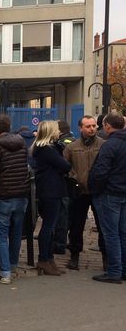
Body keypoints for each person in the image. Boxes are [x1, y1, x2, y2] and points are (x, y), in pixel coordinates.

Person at [0, 114, 30, 284]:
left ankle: (5, 272)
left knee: (0, 235)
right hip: (21, 195)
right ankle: (13, 264)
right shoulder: (21, 144)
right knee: (16, 232)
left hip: (1, 196)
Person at [63, 115, 105, 270]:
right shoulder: (72, 147)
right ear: (81, 128)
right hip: (79, 191)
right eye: (88, 126)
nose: (92, 129)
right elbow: (65, 166)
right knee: (76, 225)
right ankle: (74, 256)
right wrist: (73, 178)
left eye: (94, 126)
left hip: (98, 191)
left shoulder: (103, 145)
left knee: (103, 226)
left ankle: (106, 257)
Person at [88, 113, 126, 284]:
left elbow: (100, 171)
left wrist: (95, 189)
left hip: (110, 193)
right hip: (122, 192)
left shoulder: (110, 145)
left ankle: (114, 271)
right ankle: (122, 269)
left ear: (108, 126)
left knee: (111, 234)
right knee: (122, 233)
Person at [31, 121, 72, 276]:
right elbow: (65, 166)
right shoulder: (46, 149)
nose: (59, 132)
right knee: (48, 226)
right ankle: (44, 258)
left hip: (50, 190)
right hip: (50, 191)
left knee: (51, 226)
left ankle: (48, 258)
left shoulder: (46, 148)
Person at [52, 120, 77, 255]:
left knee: (62, 215)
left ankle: (59, 244)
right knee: (69, 215)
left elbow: (63, 164)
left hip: (65, 183)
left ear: (59, 131)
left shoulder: (63, 144)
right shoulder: (74, 140)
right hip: (73, 183)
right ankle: (67, 242)